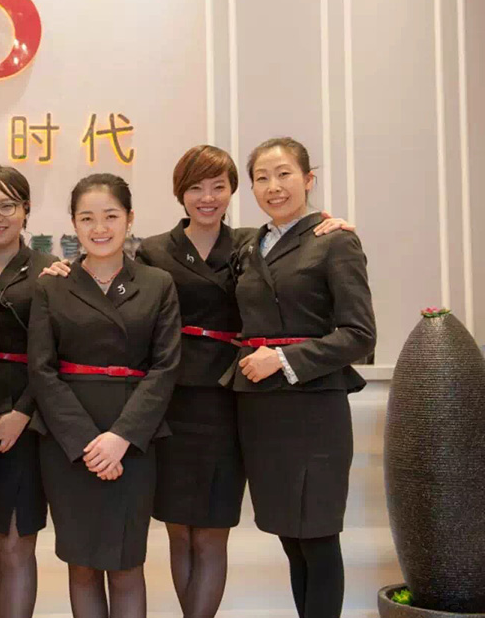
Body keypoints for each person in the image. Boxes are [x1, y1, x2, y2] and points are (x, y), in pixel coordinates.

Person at [134, 146, 354, 618]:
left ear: (234, 190)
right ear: (179, 193)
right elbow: (118, 289)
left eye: (218, 186)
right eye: (195, 187)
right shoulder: (153, 249)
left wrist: (329, 225)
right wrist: (61, 267)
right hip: (171, 399)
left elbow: (300, 252)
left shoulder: (249, 244)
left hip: (231, 397)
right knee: (178, 529)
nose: (207, 197)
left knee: (214, 530)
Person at [222, 137, 376, 618]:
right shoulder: (248, 244)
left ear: (308, 179)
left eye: (284, 173)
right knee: (291, 538)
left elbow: (360, 335)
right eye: (262, 178)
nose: (274, 186)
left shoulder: (335, 240)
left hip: (314, 409)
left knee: (319, 537)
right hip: (260, 410)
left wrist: (284, 360)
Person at [28, 173, 182, 618]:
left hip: (133, 439)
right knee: (81, 565)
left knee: (126, 564)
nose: (99, 228)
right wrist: (85, 442)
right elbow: (41, 370)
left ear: (129, 219)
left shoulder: (157, 283)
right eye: (87, 218)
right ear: (73, 224)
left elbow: (166, 367)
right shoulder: (51, 284)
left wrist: (121, 438)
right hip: (67, 442)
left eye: (111, 216)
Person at [0, 165, 58, 618]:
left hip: (28, 419)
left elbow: (56, 355)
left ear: (25, 210)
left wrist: (23, 414)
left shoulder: (50, 272)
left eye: (6, 206)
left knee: (18, 543)